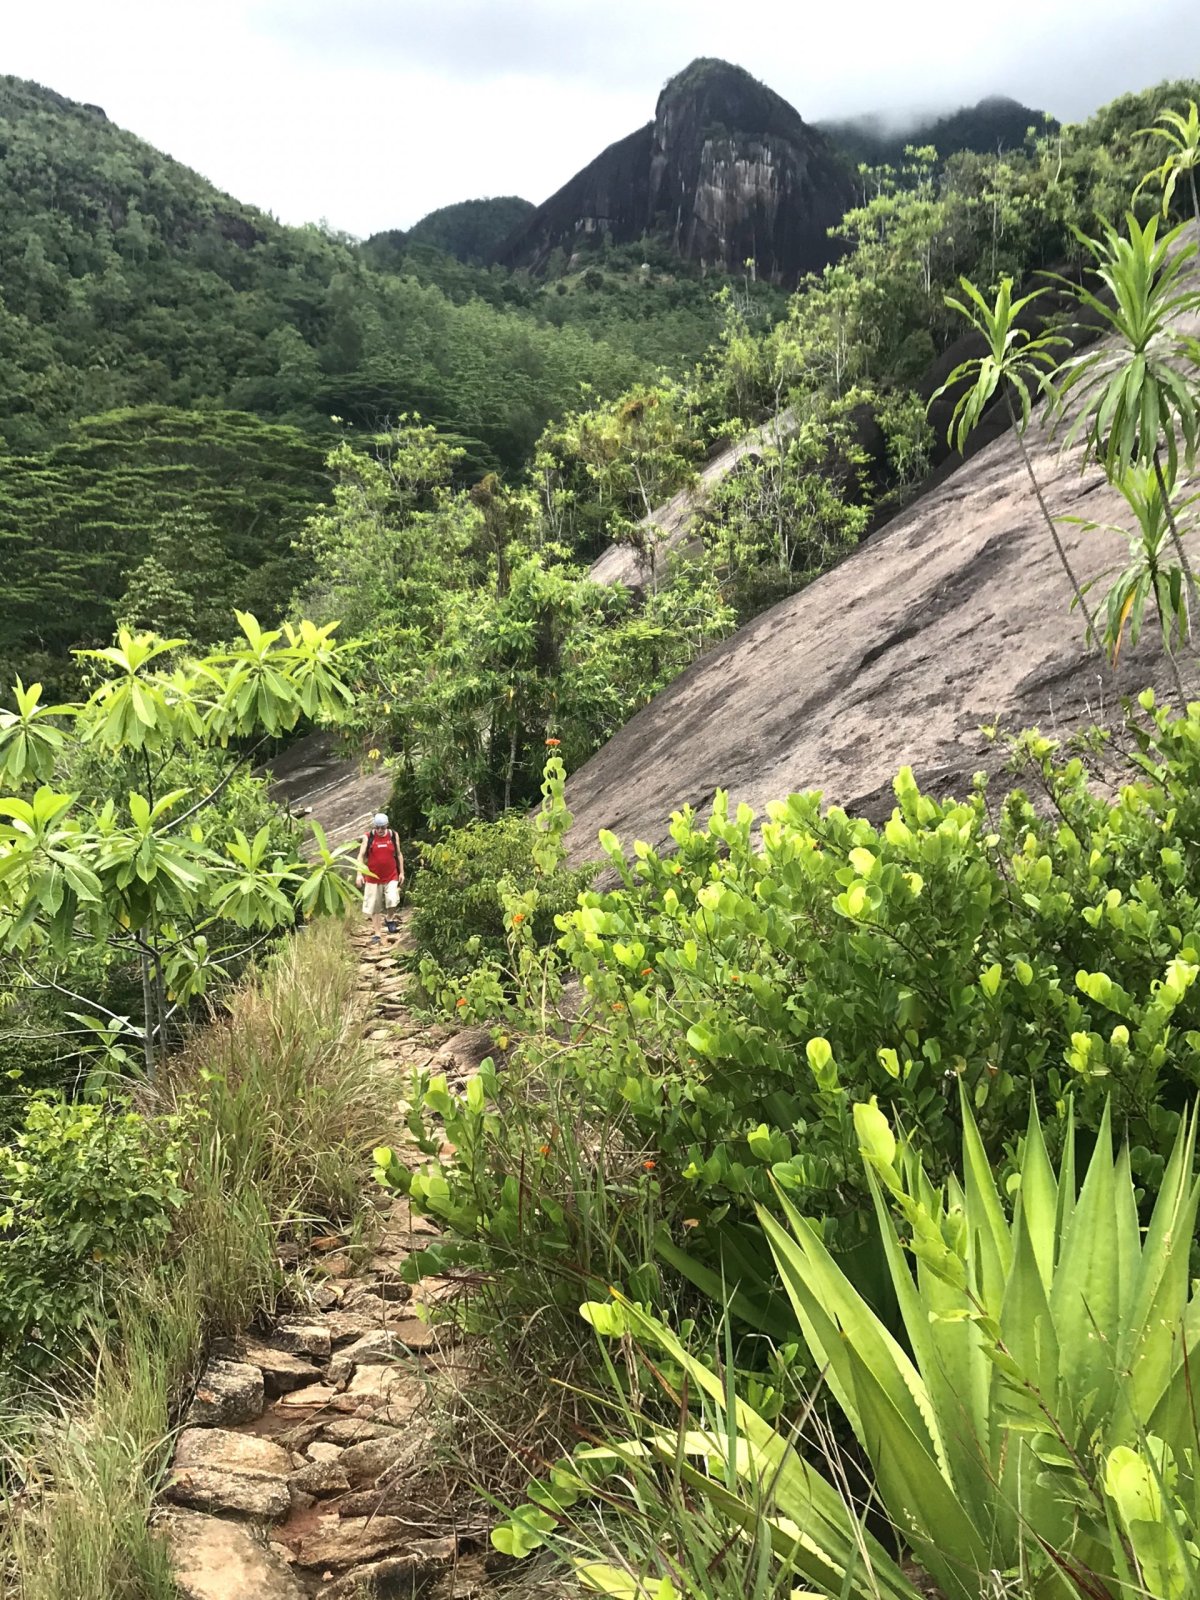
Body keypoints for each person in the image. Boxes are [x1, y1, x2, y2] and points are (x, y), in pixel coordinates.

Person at [356, 813, 405, 943]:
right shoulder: (368, 837)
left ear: (387, 825)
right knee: (374, 906)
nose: (380, 830)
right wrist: (359, 874)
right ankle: (377, 933)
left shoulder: (393, 835)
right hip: (373, 877)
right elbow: (361, 856)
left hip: (391, 875)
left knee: (392, 899)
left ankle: (389, 918)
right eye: (377, 827)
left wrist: (401, 872)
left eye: (382, 827)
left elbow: (399, 854)